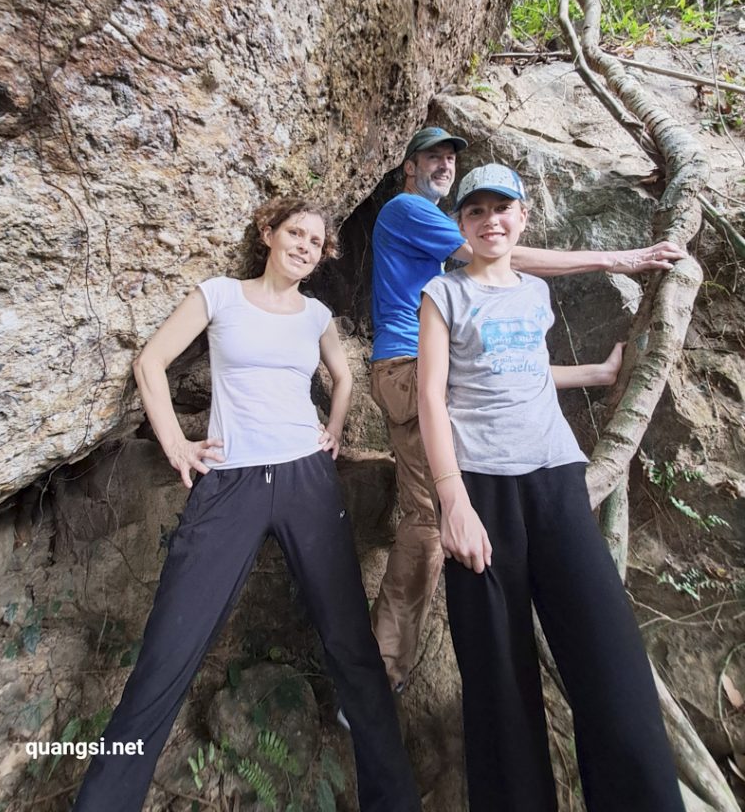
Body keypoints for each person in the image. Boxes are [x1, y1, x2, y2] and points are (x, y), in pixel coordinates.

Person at [72, 197, 421, 812]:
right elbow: (149, 362)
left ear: (321, 255)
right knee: (168, 650)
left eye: (316, 241)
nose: (304, 246)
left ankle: (393, 801)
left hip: (306, 479)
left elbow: (342, 377)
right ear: (268, 233)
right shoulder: (220, 296)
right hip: (229, 481)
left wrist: (333, 431)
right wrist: (176, 443)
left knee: (352, 648)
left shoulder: (316, 314)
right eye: (295, 232)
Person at [369, 125, 685, 689]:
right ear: (408, 168)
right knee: (426, 520)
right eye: (431, 158)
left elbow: (504, 367)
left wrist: (598, 373)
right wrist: (620, 259)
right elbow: (499, 254)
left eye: (449, 158)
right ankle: (380, 672)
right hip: (405, 366)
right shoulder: (406, 211)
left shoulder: (447, 251)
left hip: (432, 373)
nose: (442, 165)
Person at [417, 163, 685, 812]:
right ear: (462, 225)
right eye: (476, 211)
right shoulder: (442, 294)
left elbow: (529, 373)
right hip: (480, 493)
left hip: (556, 483)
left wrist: (596, 371)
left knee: (613, 669)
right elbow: (430, 396)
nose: (491, 221)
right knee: (500, 691)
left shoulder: (535, 295)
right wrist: (452, 501)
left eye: (502, 208)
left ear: (523, 217)